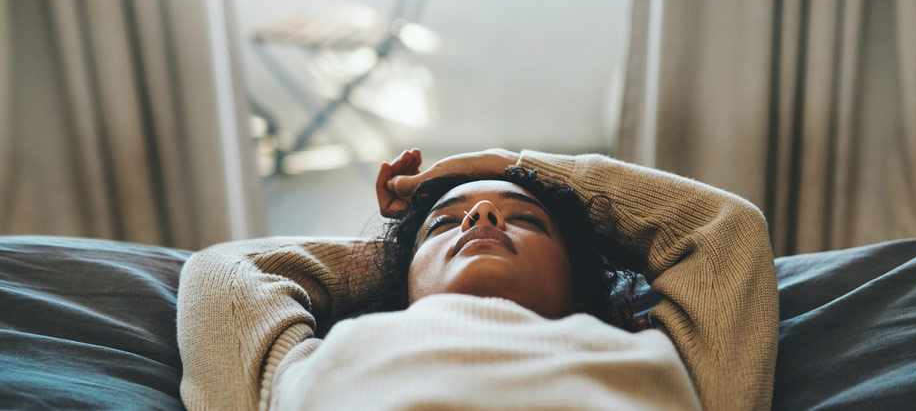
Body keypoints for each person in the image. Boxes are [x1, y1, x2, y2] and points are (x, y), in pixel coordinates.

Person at [177, 149, 778, 411]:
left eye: (526, 220)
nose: (483, 215)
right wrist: (395, 249)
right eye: (448, 225)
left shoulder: (656, 354)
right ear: (403, 281)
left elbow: (728, 230)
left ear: (576, 281)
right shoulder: (328, 357)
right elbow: (225, 272)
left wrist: (508, 162)